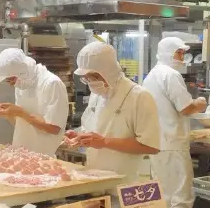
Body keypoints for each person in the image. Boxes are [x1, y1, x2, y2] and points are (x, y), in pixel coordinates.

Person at [65, 41, 160, 182]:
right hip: (93, 179)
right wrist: (80, 136)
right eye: (86, 78)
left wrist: (104, 142)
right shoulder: (96, 94)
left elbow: (151, 146)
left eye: (94, 76)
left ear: (109, 71)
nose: (90, 81)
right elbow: (97, 130)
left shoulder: (139, 96)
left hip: (125, 184)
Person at [142, 37, 207, 208]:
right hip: (173, 143)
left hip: (157, 142)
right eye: (178, 53)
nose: (181, 57)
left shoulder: (152, 75)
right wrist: (200, 103)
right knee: (180, 196)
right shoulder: (170, 75)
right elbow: (185, 108)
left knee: (164, 194)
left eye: (182, 53)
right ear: (168, 53)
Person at [0, 48, 69, 156]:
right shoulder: (22, 84)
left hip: (42, 158)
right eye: (8, 81)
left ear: (23, 71)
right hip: (22, 155)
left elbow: (54, 129)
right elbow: (23, 125)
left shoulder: (51, 84)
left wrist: (20, 112)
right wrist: (9, 114)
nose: (11, 84)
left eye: (12, 79)